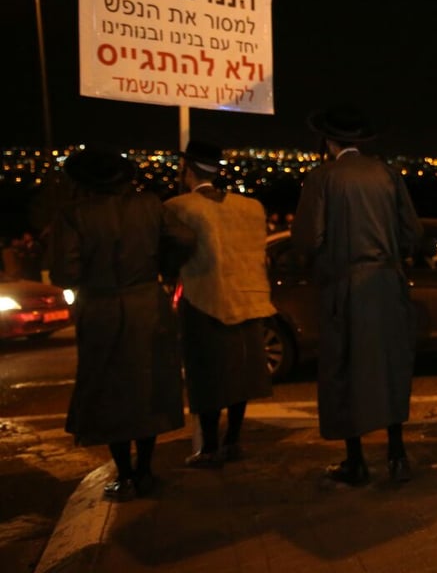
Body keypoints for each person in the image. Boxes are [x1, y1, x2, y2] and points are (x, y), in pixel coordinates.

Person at [48, 146, 195, 501]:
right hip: (147, 303)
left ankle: (125, 474)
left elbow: (63, 273)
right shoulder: (149, 205)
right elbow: (186, 238)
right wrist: (164, 267)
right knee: (148, 386)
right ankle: (145, 471)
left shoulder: (73, 214)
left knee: (109, 390)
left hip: (100, 309)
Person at [291, 105, 423, 485]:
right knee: (390, 365)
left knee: (344, 368)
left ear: (329, 142)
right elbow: (412, 233)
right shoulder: (387, 173)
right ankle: (397, 453)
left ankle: (356, 460)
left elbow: (307, 239)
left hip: (346, 285)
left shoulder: (323, 177)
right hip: (387, 283)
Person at [165, 139, 277, 467]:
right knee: (240, 374)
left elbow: (173, 254)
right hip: (249, 299)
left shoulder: (178, 206)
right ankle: (234, 441)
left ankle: (210, 447)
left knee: (207, 375)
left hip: (204, 300)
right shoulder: (251, 207)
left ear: (187, 169)